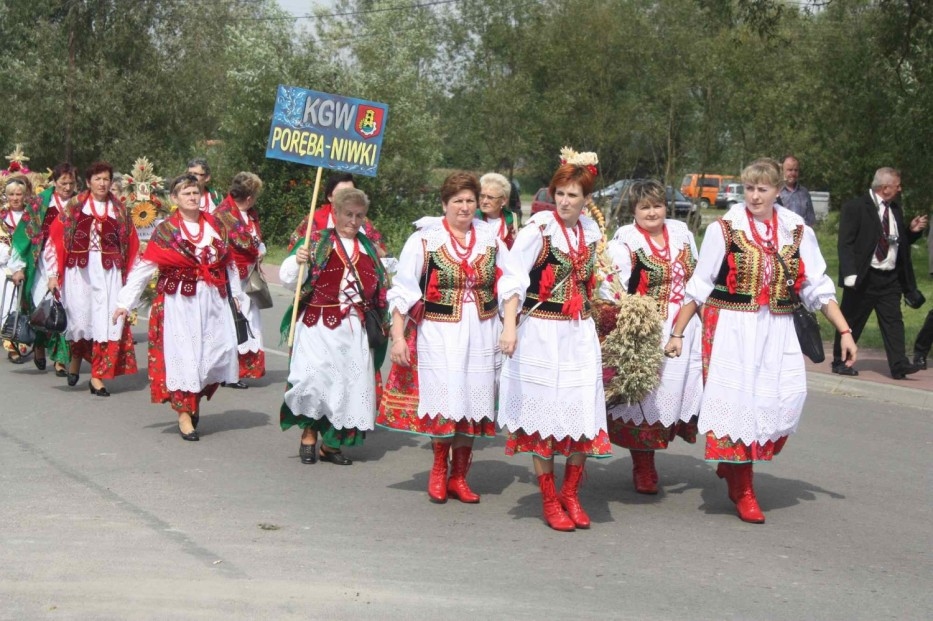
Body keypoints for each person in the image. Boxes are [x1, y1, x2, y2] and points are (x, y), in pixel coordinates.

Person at [665, 158, 857, 524]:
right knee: (740, 405)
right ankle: (743, 489)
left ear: (777, 190)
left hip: (778, 328)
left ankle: (734, 463)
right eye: (750, 189)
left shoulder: (796, 230)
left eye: (763, 189)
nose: (755, 196)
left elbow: (815, 285)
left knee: (785, 398)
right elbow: (700, 284)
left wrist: (845, 331)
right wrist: (678, 333)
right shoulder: (725, 229)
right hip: (733, 327)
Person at [497, 149, 611, 532]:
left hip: (578, 332)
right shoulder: (539, 230)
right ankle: (549, 499)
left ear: (586, 199)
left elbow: (601, 281)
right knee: (543, 415)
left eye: (572, 195)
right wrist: (509, 328)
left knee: (582, 411)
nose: (564, 201)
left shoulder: (592, 233)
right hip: (542, 333)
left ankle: (571, 494)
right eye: (559, 193)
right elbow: (513, 280)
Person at [377, 172, 505, 503]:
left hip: (482, 331)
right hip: (439, 332)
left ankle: (459, 477)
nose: (465, 207)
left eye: (470, 200)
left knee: (472, 404)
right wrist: (398, 336)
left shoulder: (490, 238)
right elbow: (403, 289)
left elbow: (509, 282)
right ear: (444, 204)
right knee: (446, 401)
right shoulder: (425, 240)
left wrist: (510, 326)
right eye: (457, 201)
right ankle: (438, 469)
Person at [113, 175, 241, 441]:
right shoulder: (166, 230)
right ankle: (184, 413)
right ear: (175, 198)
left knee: (213, 354)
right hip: (180, 302)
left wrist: (237, 294)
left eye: (195, 192)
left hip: (212, 300)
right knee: (184, 356)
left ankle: (193, 400)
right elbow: (146, 267)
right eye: (186, 193)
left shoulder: (216, 225)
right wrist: (125, 303)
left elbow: (228, 263)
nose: (193, 197)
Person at [601, 180, 702, 494]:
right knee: (648, 396)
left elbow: (699, 279)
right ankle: (643, 466)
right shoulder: (625, 241)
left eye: (657, 205)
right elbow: (613, 289)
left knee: (692, 390)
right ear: (633, 210)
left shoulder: (682, 234)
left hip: (687, 325)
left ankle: (729, 459)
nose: (652, 212)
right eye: (644, 207)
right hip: (649, 328)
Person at [279, 188, 388, 465]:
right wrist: (298, 261)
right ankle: (308, 435)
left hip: (353, 328)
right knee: (312, 381)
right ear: (336, 213)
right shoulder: (317, 241)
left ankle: (331, 444)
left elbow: (381, 286)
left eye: (359, 215)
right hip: (317, 325)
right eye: (348, 214)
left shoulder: (368, 248)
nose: (353, 220)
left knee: (346, 386)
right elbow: (289, 281)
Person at [47, 161, 139, 396]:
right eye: (97, 179)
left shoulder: (120, 210)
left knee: (105, 323)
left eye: (106, 179)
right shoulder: (75, 207)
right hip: (79, 273)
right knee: (80, 322)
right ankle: (76, 359)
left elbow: (132, 245)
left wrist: (131, 279)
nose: (102, 183)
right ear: (88, 182)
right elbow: (54, 240)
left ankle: (97, 376)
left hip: (109, 273)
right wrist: (53, 274)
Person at [833, 167, 927, 379]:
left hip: (890, 278)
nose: (900, 189)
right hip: (864, 276)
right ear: (885, 188)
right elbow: (845, 243)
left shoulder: (895, 209)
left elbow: (898, 241)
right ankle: (841, 361)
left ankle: (899, 364)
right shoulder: (855, 207)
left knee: (894, 322)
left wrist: (911, 231)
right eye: (897, 186)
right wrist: (849, 273)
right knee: (852, 319)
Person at [10, 164, 78, 375]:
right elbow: (23, 235)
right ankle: (39, 344)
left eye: (71, 183)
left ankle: (60, 359)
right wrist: (19, 267)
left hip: (69, 263)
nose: (67, 187)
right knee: (41, 305)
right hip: (40, 262)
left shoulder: (80, 203)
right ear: (54, 182)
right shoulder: (40, 203)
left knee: (64, 307)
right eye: (63, 183)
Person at [214, 172, 266, 388]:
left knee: (250, 319)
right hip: (232, 275)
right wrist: (256, 250)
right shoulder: (222, 214)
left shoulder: (250, 214)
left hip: (250, 275)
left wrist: (260, 251)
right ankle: (229, 372)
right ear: (249, 197)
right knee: (234, 320)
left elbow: (254, 241)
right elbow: (231, 245)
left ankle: (245, 368)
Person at [286, 173, 386, 256]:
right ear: (330, 196)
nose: (347, 198)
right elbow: (295, 248)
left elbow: (381, 253)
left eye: (351, 193)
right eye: (342, 193)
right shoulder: (315, 219)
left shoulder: (363, 221)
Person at [1, 176, 31, 363]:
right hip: (5, 267)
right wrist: (9, 254)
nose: (15, 198)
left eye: (18, 194)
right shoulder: (2, 217)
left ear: (25, 195)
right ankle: (10, 343)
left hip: (29, 265)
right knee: (8, 305)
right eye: (11, 194)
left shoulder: (32, 216)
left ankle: (26, 338)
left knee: (27, 305)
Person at [477, 172, 518, 249]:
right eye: (482, 196)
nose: (484, 201)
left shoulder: (512, 219)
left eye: (490, 197)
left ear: (503, 201)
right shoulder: (473, 218)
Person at [778, 156, 816, 226]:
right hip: (781, 231)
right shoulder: (776, 192)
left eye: (796, 170)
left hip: (801, 231)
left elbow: (811, 220)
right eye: (790, 170)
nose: (793, 173)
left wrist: (802, 231)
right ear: (782, 171)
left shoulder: (804, 192)